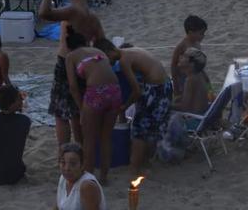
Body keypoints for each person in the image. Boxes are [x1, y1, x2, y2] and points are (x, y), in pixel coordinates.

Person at [39, 0, 105, 150]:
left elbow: (44, 13)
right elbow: (101, 43)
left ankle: (64, 152)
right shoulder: (93, 18)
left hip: (66, 62)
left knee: (61, 113)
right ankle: (80, 149)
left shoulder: (72, 10)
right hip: (85, 65)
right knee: (77, 110)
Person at [65, 28, 120, 183]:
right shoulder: (97, 50)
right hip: (115, 90)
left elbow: (73, 87)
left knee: (89, 139)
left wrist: (82, 108)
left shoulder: (71, 56)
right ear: (85, 43)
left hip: (96, 92)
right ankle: (104, 177)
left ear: (70, 47)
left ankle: (88, 179)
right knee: (106, 137)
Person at [117, 46, 172, 177]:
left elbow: (136, 91)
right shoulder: (136, 52)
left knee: (139, 131)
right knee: (153, 129)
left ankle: (134, 168)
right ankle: (146, 162)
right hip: (165, 87)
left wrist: (125, 106)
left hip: (155, 89)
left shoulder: (124, 60)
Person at [54, 143, 106, 210]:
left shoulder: (87, 186)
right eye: (63, 162)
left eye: (73, 164)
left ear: (82, 165)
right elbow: (58, 206)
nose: (67, 168)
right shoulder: (63, 178)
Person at [169, 15, 208, 97]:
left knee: (203, 87)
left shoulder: (197, 43)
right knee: (186, 96)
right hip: (183, 78)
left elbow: (198, 62)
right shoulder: (182, 45)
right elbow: (173, 65)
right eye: (201, 33)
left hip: (195, 74)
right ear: (191, 33)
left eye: (204, 33)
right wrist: (176, 87)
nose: (203, 36)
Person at [171, 48, 210, 115]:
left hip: (193, 120)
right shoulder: (200, 74)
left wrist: (167, 105)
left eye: (184, 56)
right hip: (202, 115)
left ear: (192, 64)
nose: (180, 57)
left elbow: (184, 108)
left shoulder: (190, 80)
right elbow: (208, 92)